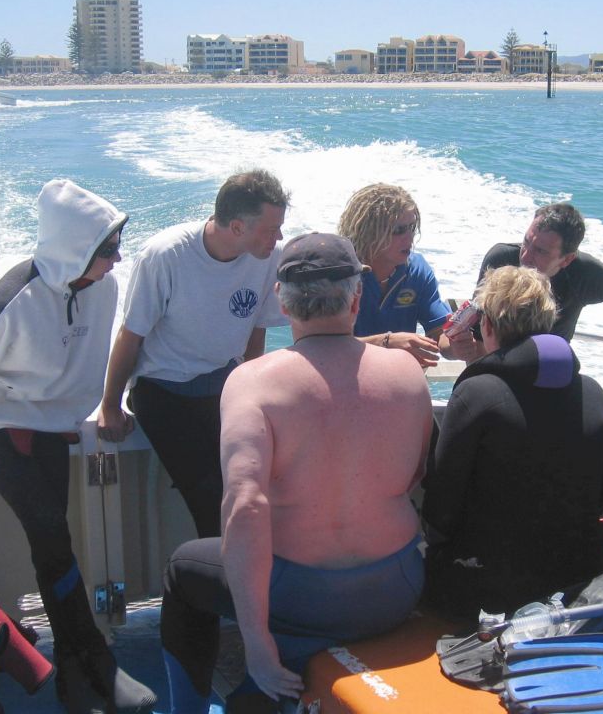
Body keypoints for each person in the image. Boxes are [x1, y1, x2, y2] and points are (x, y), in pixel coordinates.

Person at [160, 233, 431, 713]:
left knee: (184, 570)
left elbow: (245, 506)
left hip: (300, 598)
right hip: (396, 587)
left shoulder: (252, 382)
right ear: (356, 297)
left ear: (283, 305)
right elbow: (414, 477)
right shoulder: (408, 375)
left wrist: (256, 642)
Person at [0, 179, 156, 713]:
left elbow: (87, 357)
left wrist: (87, 410)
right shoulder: (8, 294)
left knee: (56, 534)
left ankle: (74, 665)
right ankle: (91, 657)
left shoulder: (104, 288)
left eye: (118, 247)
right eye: (107, 250)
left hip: (50, 420)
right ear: (74, 249)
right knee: (48, 528)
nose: (117, 261)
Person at [97, 169, 289, 538]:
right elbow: (131, 335)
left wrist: (254, 394)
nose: (278, 237)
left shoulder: (268, 256)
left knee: (256, 488)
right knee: (212, 498)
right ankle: (220, 585)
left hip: (223, 385)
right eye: (270, 229)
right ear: (236, 227)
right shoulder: (166, 256)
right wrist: (109, 406)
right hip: (164, 388)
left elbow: (256, 332)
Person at [422, 266, 603, 619]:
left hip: (491, 592)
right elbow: (601, 494)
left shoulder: (476, 393)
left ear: (488, 326)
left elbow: (441, 509)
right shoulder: (592, 391)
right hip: (580, 583)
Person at [476, 203, 603, 344]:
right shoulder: (500, 260)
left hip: (548, 374)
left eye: (541, 251)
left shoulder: (585, 274)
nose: (526, 257)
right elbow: (476, 335)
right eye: (526, 243)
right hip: (494, 372)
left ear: (567, 259)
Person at [338, 183, 472, 366]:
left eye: (411, 227)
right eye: (398, 230)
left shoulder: (417, 271)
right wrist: (387, 343)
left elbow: (438, 331)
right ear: (369, 232)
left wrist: (455, 346)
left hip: (398, 381)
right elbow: (322, 346)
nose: (409, 238)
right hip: (344, 379)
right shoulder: (338, 273)